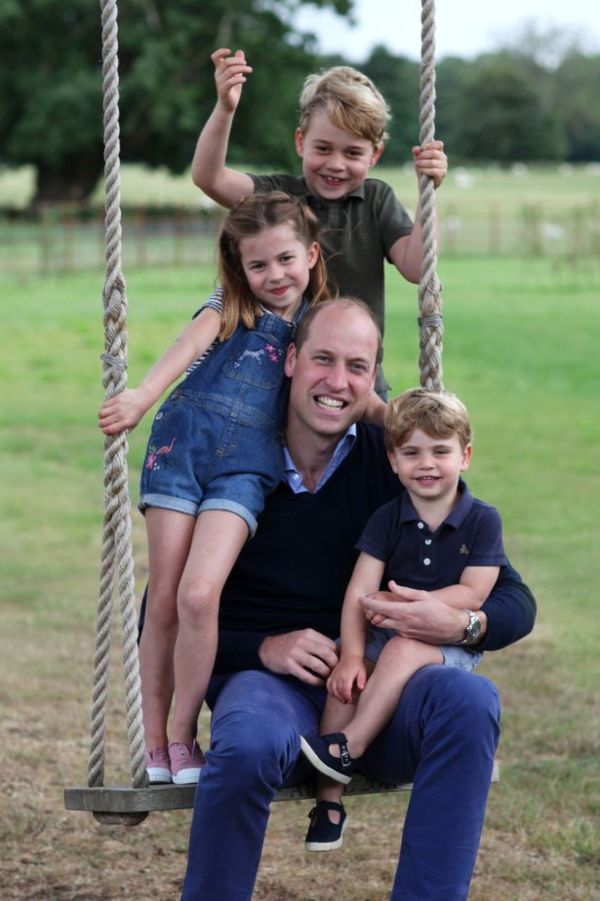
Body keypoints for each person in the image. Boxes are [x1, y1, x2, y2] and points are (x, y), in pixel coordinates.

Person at [181, 298, 536, 901]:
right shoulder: (235, 462)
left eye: (357, 365)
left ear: (373, 379)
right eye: (322, 359)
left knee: (468, 698)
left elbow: (513, 600)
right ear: (291, 360)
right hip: (276, 691)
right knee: (245, 742)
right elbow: (163, 617)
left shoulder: (394, 461)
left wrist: (458, 623)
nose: (337, 382)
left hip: (384, 692)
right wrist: (263, 647)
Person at [98, 192, 331, 786]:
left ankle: (182, 735)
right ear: (240, 267)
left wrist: (397, 419)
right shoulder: (230, 304)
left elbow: (342, 386)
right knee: (167, 596)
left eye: (284, 260)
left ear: (309, 254)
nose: (273, 276)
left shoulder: (317, 324)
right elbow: (187, 347)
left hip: (246, 468)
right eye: (258, 265)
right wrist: (142, 396)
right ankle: (155, 742)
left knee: (201, 596)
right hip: (181, 450)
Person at [299, 388, 507, 851]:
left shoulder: (482, 522)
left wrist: (416, 609)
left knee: (404, 646)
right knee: (344, 680)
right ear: (393, 460)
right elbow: (359, 591)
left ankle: (350, 744)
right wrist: (352, 656)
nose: (426, 464)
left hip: (446, 640)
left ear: (465, 456)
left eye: (440, 451)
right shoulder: (388, 518)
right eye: (411, 452)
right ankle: (329, 800)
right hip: (385, 628)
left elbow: (475, 592)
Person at [191, 50, 448, 395]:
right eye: (323, 148)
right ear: (301, 142)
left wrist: (427, 192)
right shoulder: (279, 197)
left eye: (353, 153)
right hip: (282, 385)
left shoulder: (376, 200)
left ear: (375, 155)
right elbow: (210, 177)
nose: (336, 164)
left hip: (358, 383)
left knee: (373, 446)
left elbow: (417, 268)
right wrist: (225, 108)